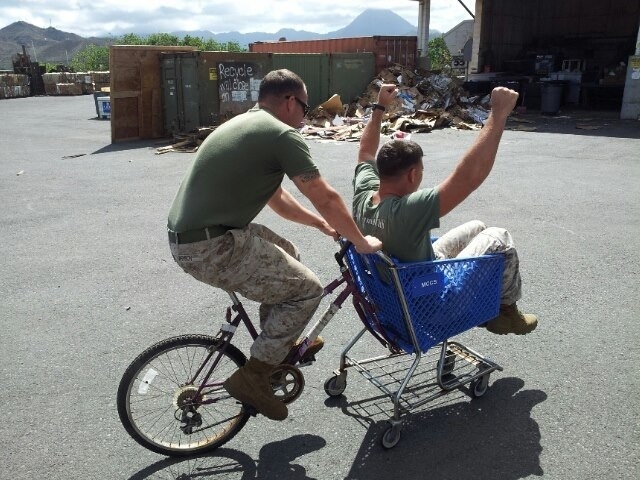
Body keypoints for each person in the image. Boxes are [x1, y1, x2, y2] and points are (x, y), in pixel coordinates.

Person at [167, 69, 382, 421]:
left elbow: (279, 200)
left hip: (198, 237)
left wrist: (321, 224)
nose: (305, 116)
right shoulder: (281, 135)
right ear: (289, 101)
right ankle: (255, 377)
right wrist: (360, 241)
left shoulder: (246, 125)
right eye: (305, 107)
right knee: (308, 292)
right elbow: (324, 196)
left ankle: (279, 346)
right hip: (212, 247)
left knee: (289, 255)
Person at [352, 83, 537, 336]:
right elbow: (468, 178)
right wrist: (498, 114)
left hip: (401, 288)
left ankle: (497, 306)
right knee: (499, 237)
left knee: (478, 227)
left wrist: (379, 107)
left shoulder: (364, 195)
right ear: (413, 174)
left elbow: (365, 151)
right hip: (434, 305)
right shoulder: (408, 211)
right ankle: (506, 312)